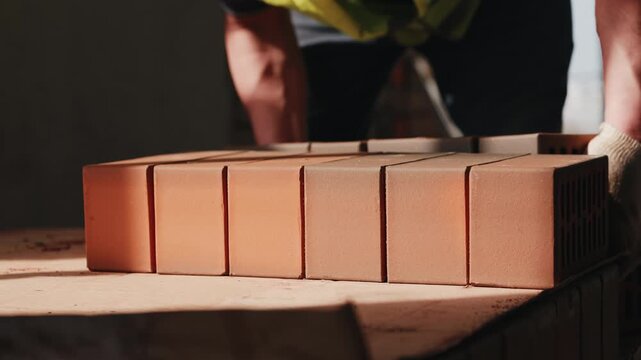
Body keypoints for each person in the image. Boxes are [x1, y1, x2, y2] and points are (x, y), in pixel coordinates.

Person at [221, 0, 641, 272]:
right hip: (333, 17)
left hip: (493, 11)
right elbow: (258, 37)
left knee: (530, 199)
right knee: (312, 189)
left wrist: (624, 142)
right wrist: (279, 187)